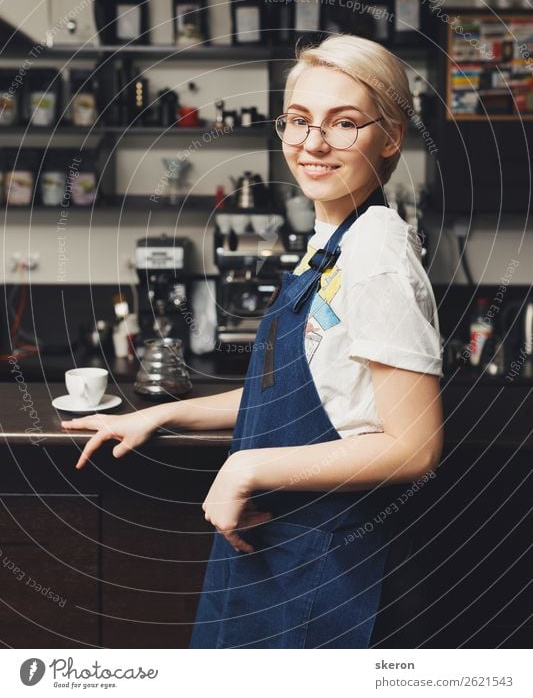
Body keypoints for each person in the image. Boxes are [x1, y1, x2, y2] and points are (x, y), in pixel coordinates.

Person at [63, 34, 444, 649]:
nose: (312, 143)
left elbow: (414, 447)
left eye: (344, 123)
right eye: (298, 120)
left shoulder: (376, 255)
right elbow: (310, 393)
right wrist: (169, 412)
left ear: (390, 137)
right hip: (281, 544)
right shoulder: (335, 240)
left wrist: (246, 466)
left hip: (324, 557)